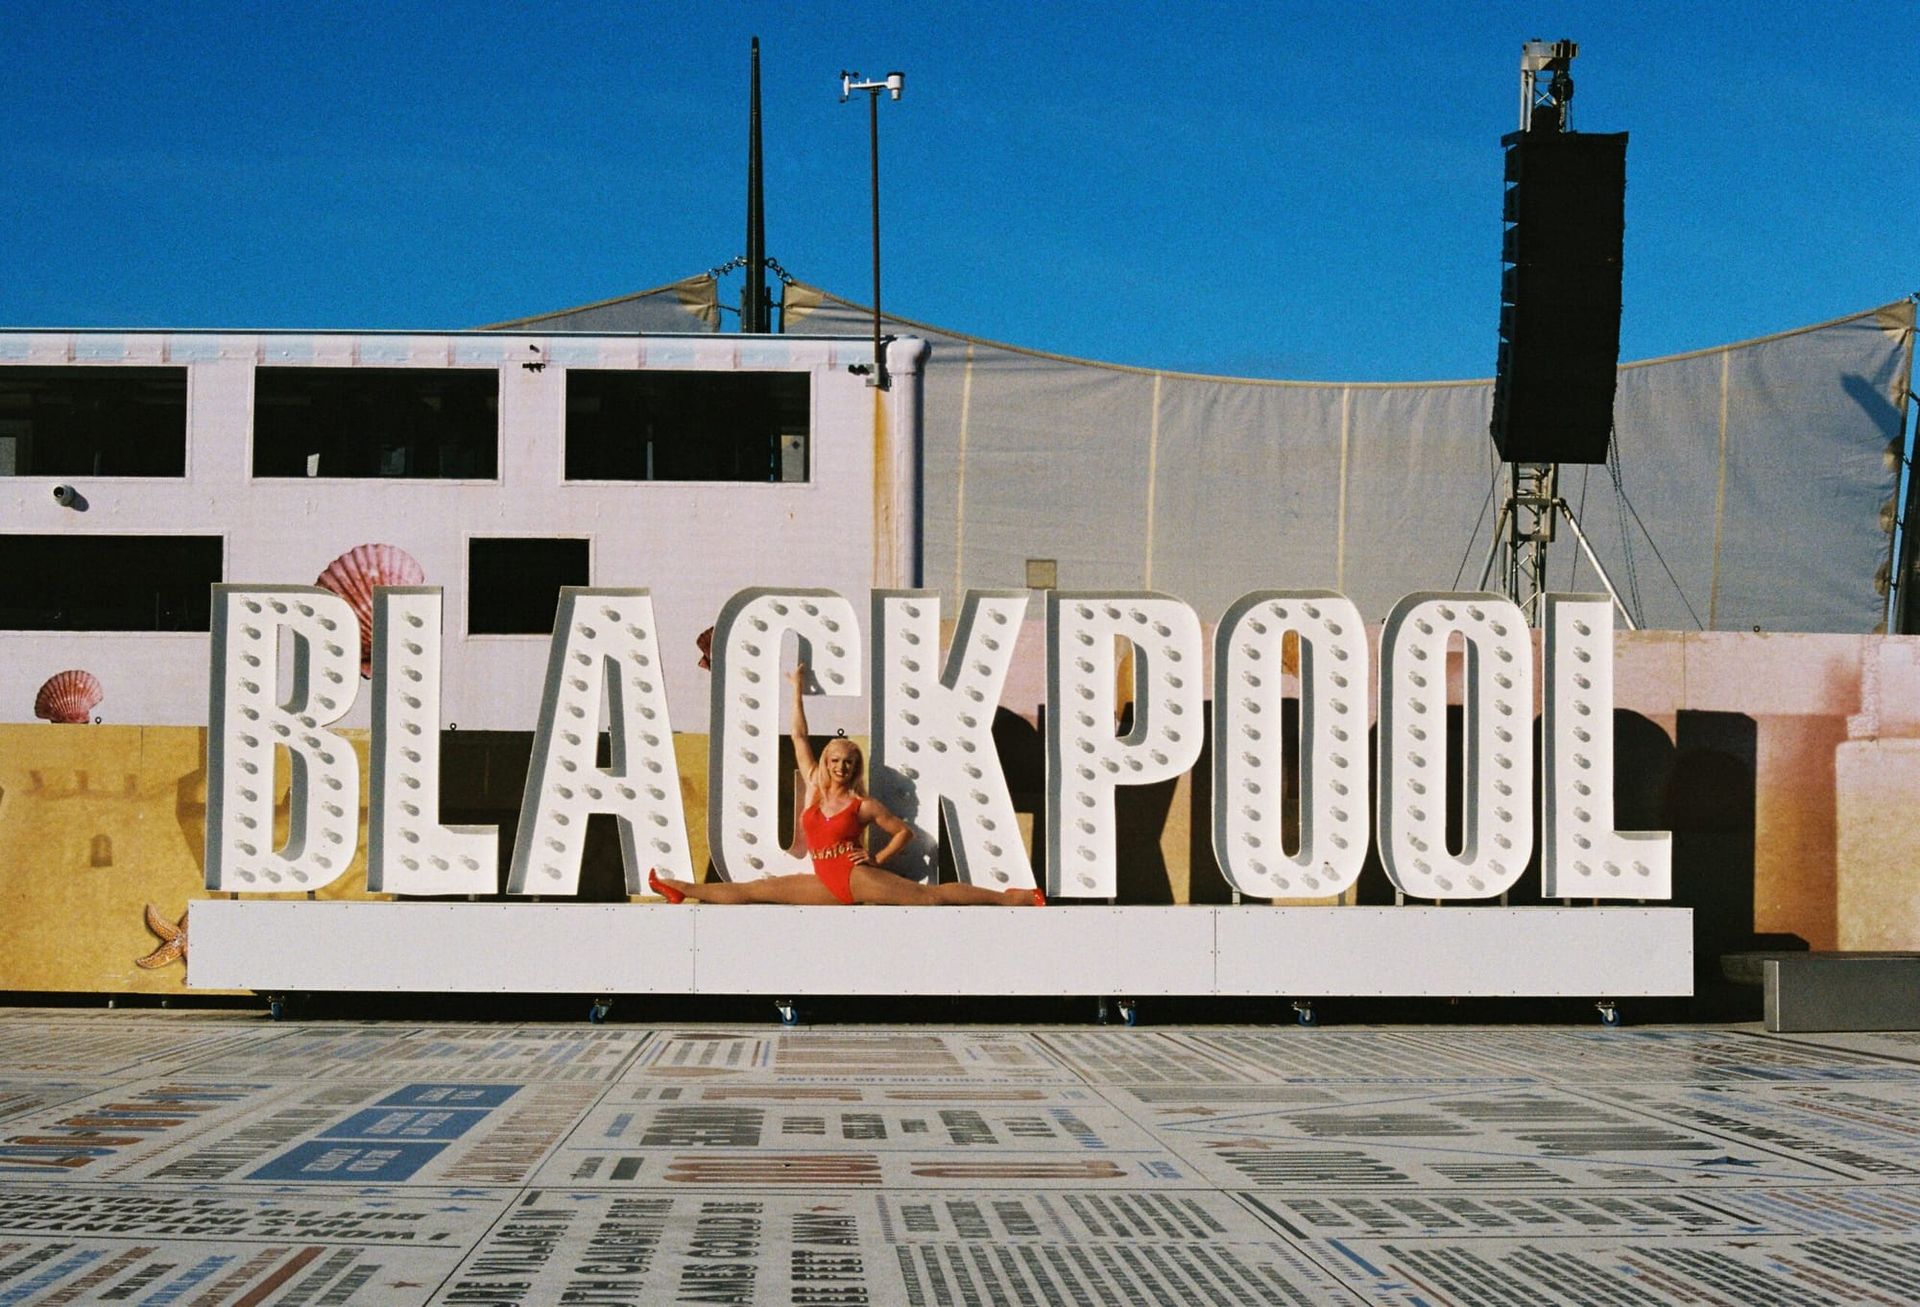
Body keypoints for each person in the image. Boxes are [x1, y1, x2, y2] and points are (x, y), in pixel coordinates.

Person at [649, 662, 1043, 906]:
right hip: (823, 879)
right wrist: (796, 689)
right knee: (755, 890)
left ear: (855, 768)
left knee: (931, 897)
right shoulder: (815, 790)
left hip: (857, 876)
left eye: (848, 762)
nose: (840, 766)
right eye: (835, 760)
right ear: (827, 763)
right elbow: (799, 737)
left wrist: (877, 859)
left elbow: (902, 832)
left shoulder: (863, 804)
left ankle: (1013, 899)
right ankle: (680, 888)